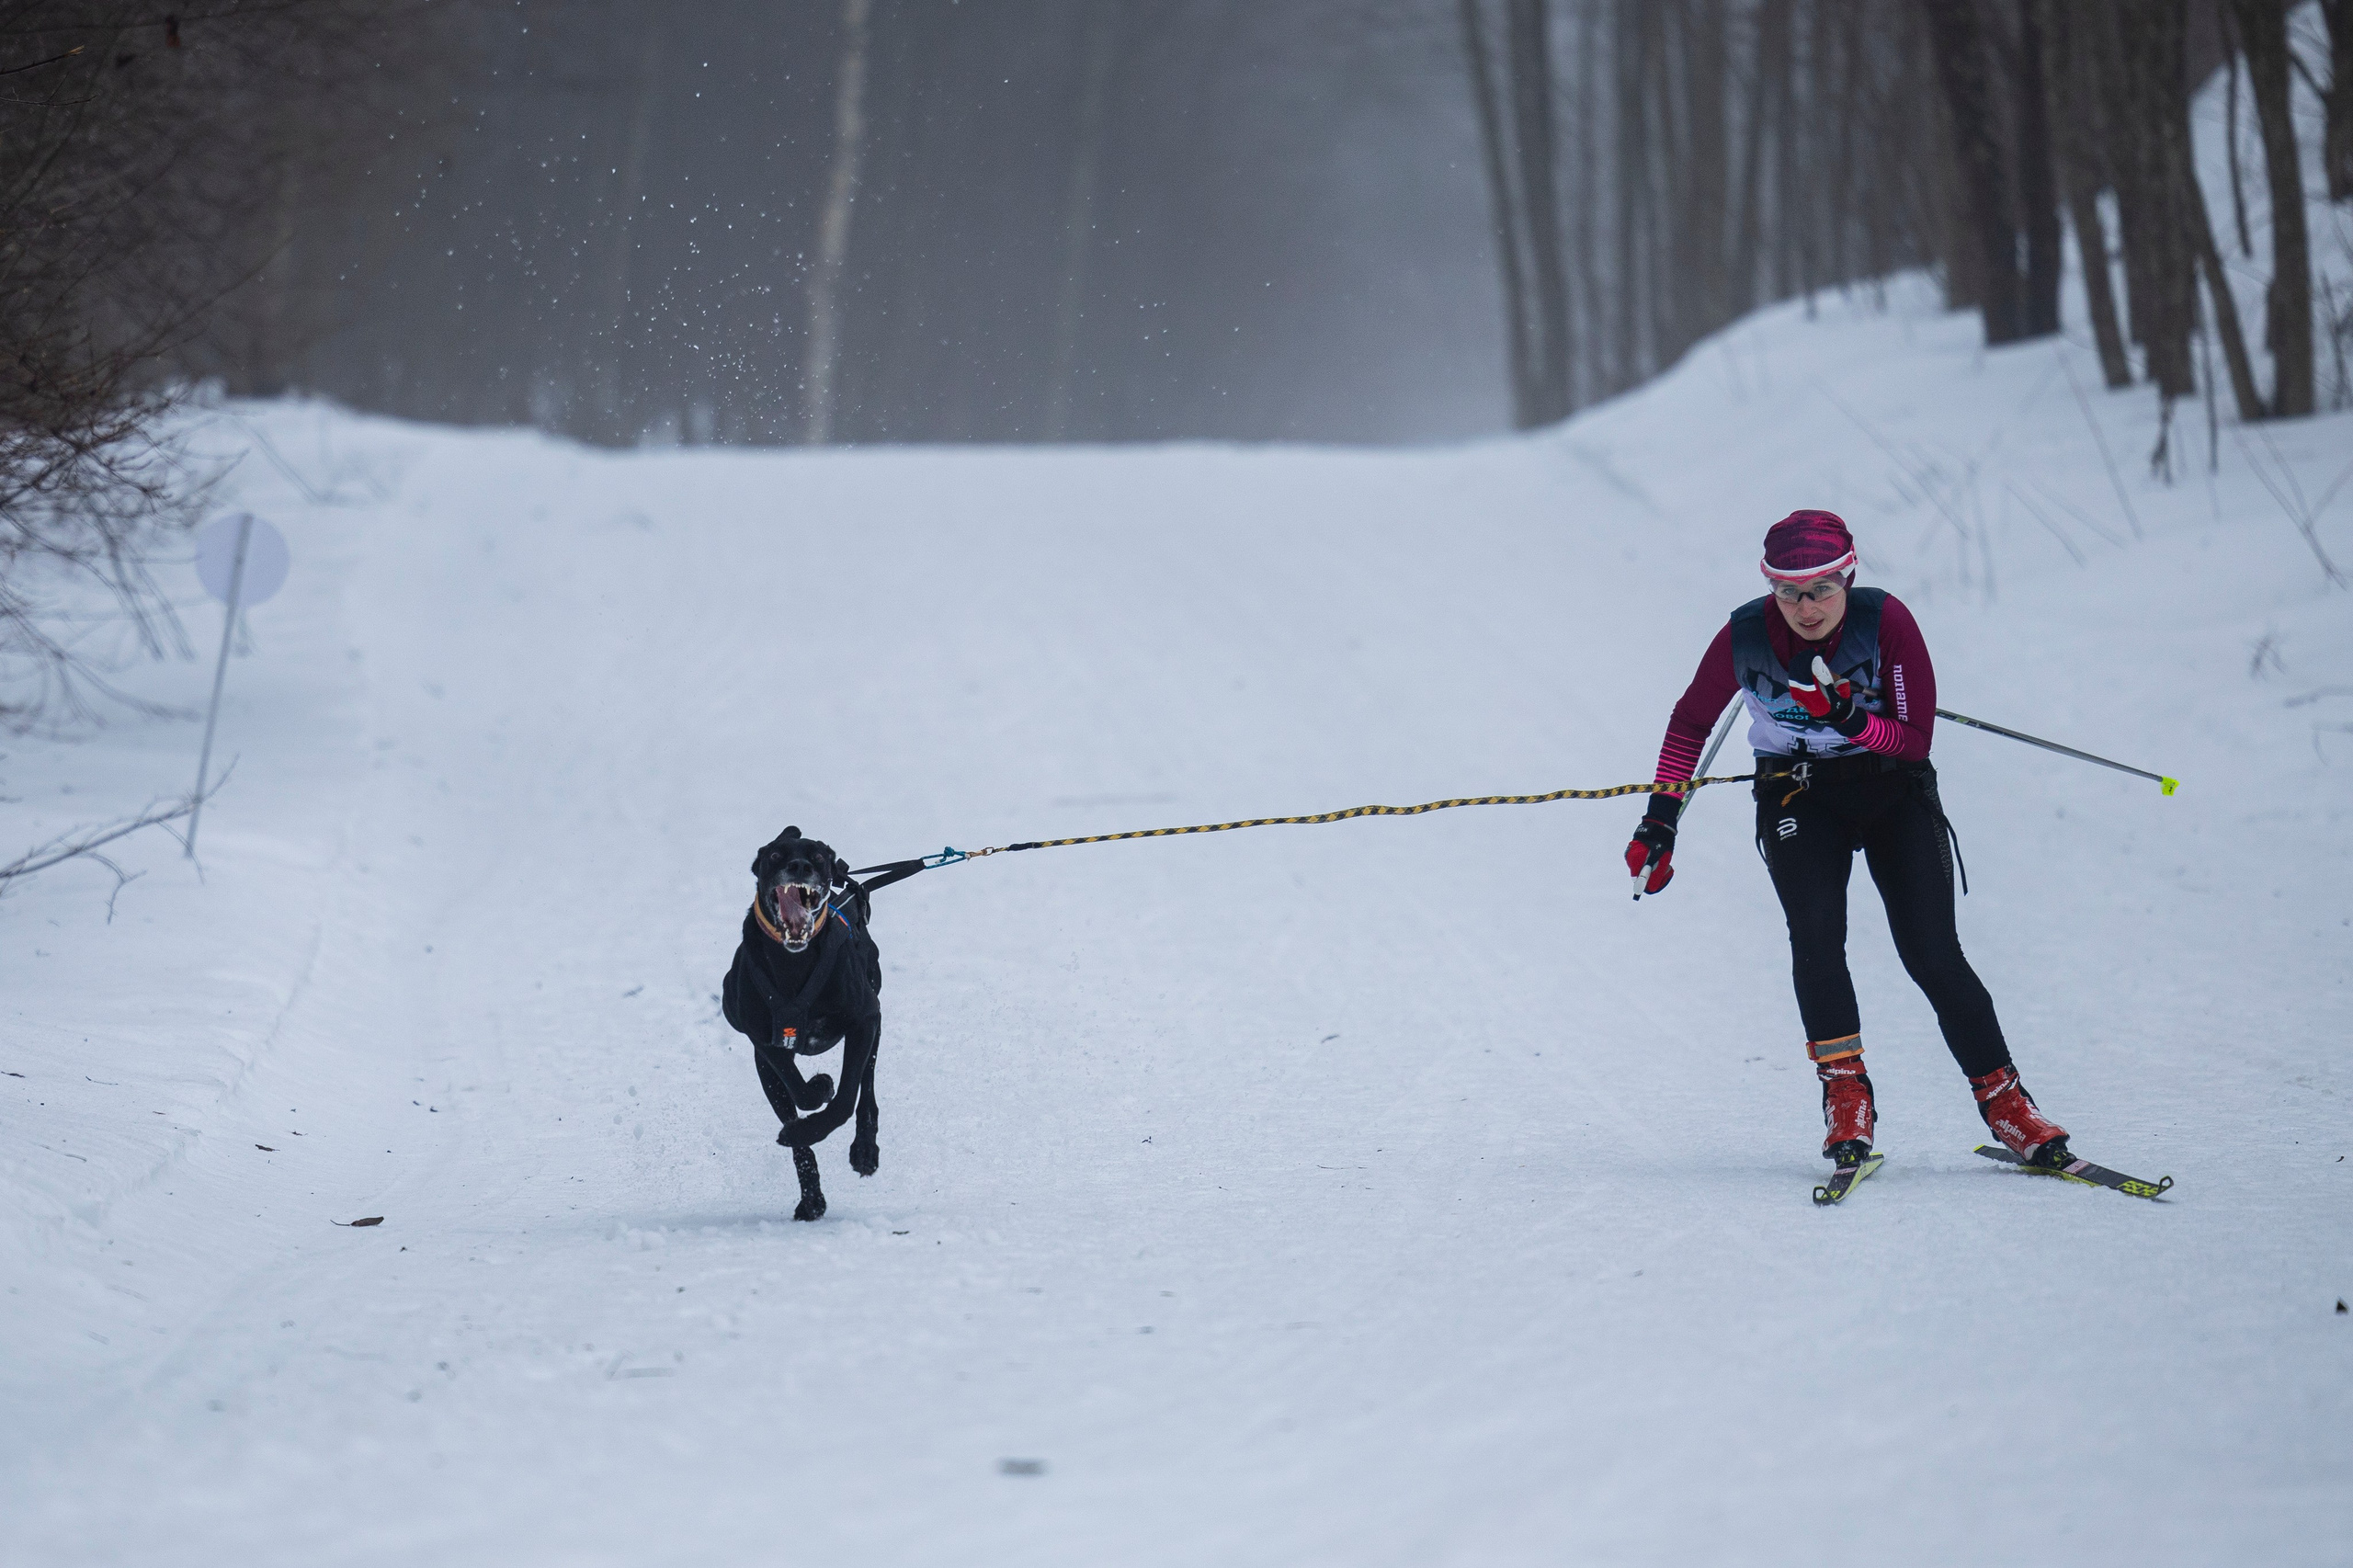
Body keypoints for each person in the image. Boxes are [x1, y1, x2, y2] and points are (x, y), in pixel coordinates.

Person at [1624, 509, 2070, 1171]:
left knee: (1931, 951)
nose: (1807, 607)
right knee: (1815, 933)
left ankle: (2007, 1104)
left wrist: (1847, 717)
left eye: (1823, 589)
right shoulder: (1744, 637)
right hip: (1797, 791)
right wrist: (1659, 820)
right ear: (1770, 588)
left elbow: (1915, 740)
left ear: (1849, 577)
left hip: (1892, 789)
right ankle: (1846, 1095)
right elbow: (1691, 722)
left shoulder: (1884, 622)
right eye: (1790, 592)